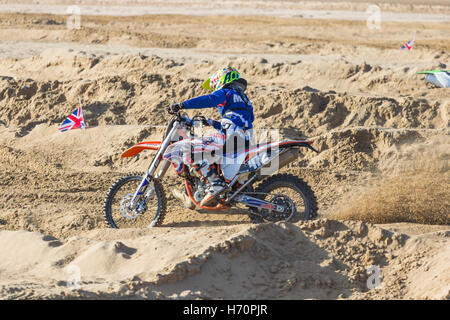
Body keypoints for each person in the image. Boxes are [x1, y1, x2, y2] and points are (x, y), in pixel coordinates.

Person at [168, 67, 254, 207]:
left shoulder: (226, 92)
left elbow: (209, 99)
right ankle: (221, 186)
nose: (213, 89)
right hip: (245, 136)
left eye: (214, 85)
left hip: (232, 134)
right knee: (210, 151)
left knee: (189, 147)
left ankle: (215, 184)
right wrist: (212, 122)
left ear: (222, 80)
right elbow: (243, 119)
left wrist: (183, 105)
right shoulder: (244, 100)